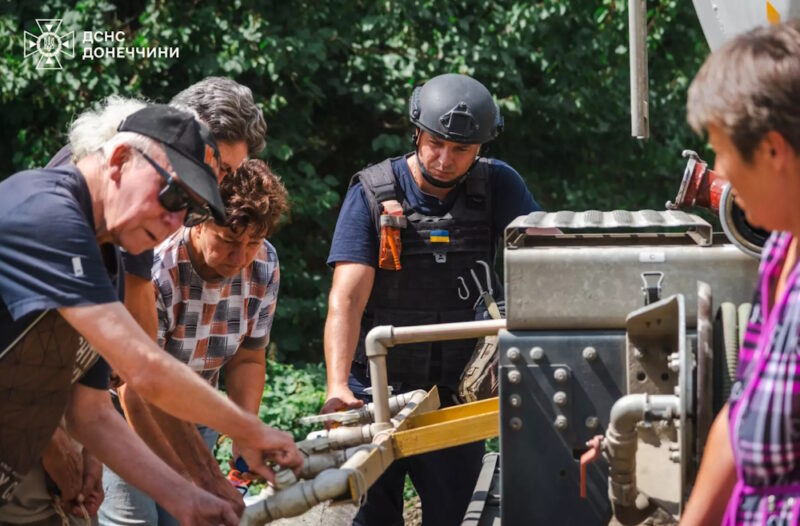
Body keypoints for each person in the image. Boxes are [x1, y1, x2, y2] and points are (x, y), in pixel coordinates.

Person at [0, 103, 301, 526]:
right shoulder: (49, 213)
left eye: (190, 210)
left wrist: (186, 498)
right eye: (173, 194)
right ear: (121, 159)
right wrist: (253, 431)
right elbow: (144, 369)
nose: (173, 220)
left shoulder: (111, 259)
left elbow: (91, 414)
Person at [321, 73, 541, 525]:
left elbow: (543, 263)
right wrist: (338, 387)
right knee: (372, 519)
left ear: (480, 147)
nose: (445, 159)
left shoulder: (498, 185)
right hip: (375, 393)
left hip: (457, 397)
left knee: (455, 516)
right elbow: (346, 300)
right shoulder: (373, 192)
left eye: (461, 150)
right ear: (417, 132)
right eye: (436, 143)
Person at [99, 158, 289, 525]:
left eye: (253, 242)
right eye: (229, 240)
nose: (241, 257)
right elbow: (135, 389)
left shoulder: (264, 264)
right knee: (134, 519)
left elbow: (249, 358)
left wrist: (244, 431)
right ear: (197, 223)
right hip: (124, 414)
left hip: (195, 409)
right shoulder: (157, 271)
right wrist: (188, 481)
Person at [680, 21, 800, 526]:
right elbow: (741, 412)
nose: (718, 172)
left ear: (772, 150)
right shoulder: (780, 249)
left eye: (720, 148)